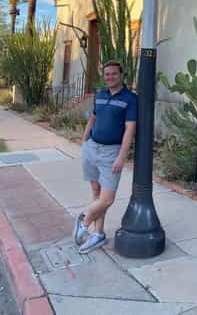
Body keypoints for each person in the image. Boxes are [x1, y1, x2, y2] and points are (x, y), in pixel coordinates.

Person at [73, 60, 137, 254]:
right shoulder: (100, 95)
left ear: (121, 75)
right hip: (92, 148)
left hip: (111, 153)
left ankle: (84, 220)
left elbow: (130, 128)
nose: (110, 77)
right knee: (96, 192)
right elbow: (93, 117)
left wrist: (121, 156)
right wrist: (84, 141)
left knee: (106, 199)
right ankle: (98, 235)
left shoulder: (130, 99)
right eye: (107, 74)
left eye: (114, 74)